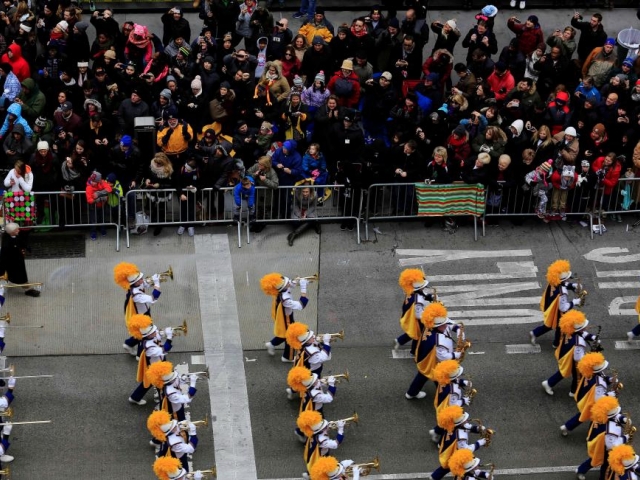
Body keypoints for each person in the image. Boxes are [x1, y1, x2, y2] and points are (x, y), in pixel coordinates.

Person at [405, 302, 464, 399]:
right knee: (441, 378)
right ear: (437, 325)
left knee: (423, 374)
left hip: (426, 358)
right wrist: (456, 355)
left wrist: (458, 330)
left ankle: (411, 393)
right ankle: (445, 399)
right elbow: (443, 357)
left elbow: (448, 323)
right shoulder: (438, 341)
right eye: (443, 324)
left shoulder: (434, 323)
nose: (446, 325)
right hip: (435, 361)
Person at [541, 310, 599, 397]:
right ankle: (574, 392)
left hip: (566, 354)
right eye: (584, 327)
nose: (586, 327)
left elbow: (583, 334)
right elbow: (578, 358)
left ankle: (549, 383)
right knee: (577, 376)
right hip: (573, 359)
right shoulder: (579, 342)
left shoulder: (570, 331)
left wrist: (593, 337)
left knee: (563, 371)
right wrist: (590, 356)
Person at [575, 396, 632, 480]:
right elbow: (612, 446)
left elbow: (615, 416)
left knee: (595, 459)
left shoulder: (609, 417)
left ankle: (581, 470)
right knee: (604, 465)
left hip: (608, 444)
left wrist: (622, 419)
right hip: (608, 449)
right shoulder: (611, 431)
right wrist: (625, 438)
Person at [529, 259, 583, 347]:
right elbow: (563, 307)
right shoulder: (563, 292)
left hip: (550, 304)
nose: (569, 278)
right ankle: (556, 343)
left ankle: (538, 334)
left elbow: (561, 284)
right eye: (567, 277)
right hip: (557, 310)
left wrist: (572, 286)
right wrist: (574, 302)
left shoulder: (553, 281)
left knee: (553, 325)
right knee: (558, 326)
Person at [560, 352, 615, 436]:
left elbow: (603, 378)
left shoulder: (592, 373)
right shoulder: (599, 385)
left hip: (587, 398)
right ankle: (592, 434)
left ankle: (567, 427)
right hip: (593, 403)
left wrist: (610, 379)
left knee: (582, 415)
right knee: (588, 417)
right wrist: (610, 395)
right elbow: (598, 399)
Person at [112, 262, 162, 356]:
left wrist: (153, 278)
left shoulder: (135, 285)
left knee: (144, 333)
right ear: (135, 282)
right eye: (140, 279)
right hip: (141, 316)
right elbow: (153, 298)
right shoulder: (136, 294)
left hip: (143, 313)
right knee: (146, 334)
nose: (142, 280)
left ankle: (129, 344)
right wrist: (157, 283)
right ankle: (140, 355)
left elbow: (145, 284)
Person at [430, 405, 490, 480]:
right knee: (449, 467)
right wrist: (479, 443)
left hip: (446, 448)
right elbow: (466, 451)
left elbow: (467, 427)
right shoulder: (461, 437)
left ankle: (434, 477)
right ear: (461, 423)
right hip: (454, 454)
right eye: (465, 419)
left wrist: (478, 429)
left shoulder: (452, 426)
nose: (467, 420)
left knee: (444, 467)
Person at [261, 273, 310, 362]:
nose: (289, 283)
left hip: (286, 316)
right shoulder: (285, 299)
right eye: (288, 283)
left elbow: (290, 285)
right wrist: (303, 288)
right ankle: (287, 357)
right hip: (286, 319)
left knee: (284, 334)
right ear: (284, 287)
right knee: (291, 335)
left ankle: (272, 344)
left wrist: (297, 281)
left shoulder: (280, 290)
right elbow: (301, 305)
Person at [128, 314, 174, 405]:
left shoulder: (151, 337)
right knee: (154, 382)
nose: (155, 332)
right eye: (153, 332)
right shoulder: (149, 347)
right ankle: (136, 397)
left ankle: (136, 397)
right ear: (148, 335)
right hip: (155, 367)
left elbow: (158, 337)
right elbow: (165, 349)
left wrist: (166, 333)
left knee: (152, 382)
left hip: (159, 362)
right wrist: (169, 338)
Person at [430, 360, 473, 444]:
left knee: (444, 422)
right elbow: (453, 405)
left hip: (442, 406)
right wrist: (464, 400)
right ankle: (441, 443)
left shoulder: (444, 380)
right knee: (450, 426)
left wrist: (463, 382)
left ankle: (436, 431)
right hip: (449, 410)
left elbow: (454, 380)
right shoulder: (453, 392)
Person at [395, 268, 433, 353]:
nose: (424, 288)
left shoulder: (411, 292)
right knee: (418, 335)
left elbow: (422, 295)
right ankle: (414, 351)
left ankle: (400, 341)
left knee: (413, 333)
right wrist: (429, 313)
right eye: (423, 287)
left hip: (410, 316)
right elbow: (418, 315)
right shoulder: (418, 301)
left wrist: (429, 297)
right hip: (416, 320)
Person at [0, 223, 40, 297]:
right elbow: (4, 256)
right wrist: (2, 268)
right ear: (12, 232)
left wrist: (27, 247)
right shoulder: (7, 243)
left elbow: (21, 243)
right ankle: (27, 289)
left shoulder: (16, 237)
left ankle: (25, 287)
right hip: (13, 263)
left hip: (19, 261)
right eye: (17, 230)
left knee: (20, 276)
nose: (19, 230)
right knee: (21, 277)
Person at [85, 170, 112, 240]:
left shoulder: (101, 182)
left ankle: (102, 229)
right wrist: (101, 198)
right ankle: (93, 232)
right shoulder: (89, 187)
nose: (93, 183)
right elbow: (89, 200)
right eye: (92, 181)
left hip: (102, 205)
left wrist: (98, 194)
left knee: (102, 218)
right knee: (93, 220)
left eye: (94, 182)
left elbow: (109, 189)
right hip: (93, 206)